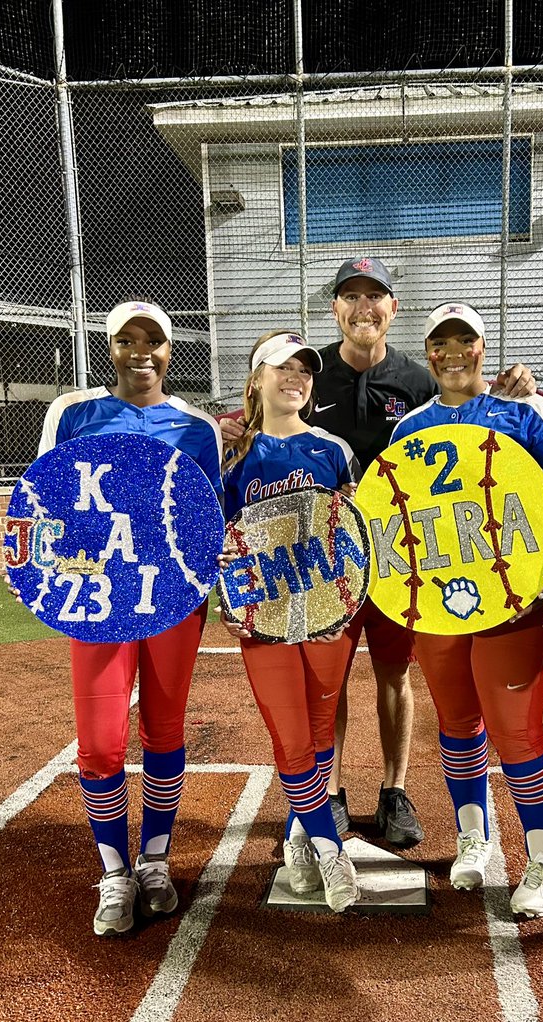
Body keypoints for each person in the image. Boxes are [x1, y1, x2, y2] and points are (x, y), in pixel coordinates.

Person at [219, 255, 537, 851]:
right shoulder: (310, 374)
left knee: (394, 674)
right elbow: (268, 425)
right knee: (327, 682)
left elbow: (467, 416)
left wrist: (509, 387)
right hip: (322, 563)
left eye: (376, 297)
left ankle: (394, 790)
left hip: (398, 560)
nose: (363, 308)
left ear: (393, 308)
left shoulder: (420, 382)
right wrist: (229, 428)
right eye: (350, 297)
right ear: (335, 308)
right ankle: (330, 791)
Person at [32, 299, 224, 936]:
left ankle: (156, 860)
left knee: (165, 730)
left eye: (154, 340)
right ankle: (114, 871)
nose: (141, 351)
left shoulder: (198, 427)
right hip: (98, 599)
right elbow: (42, 501)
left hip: (171, 601)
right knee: (102, 739)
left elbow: (207, 520)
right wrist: (52, 584)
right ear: (109, 347)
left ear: (171, 350)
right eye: (127, 340)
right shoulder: (73, 410)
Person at [388, 302, 543, 915]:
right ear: (428, 352)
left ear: (482, 347)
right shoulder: (409, 425)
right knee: (456, 720)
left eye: (463, 340)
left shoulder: (528, 411)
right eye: (438, 343)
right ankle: (476, 836)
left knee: (517, 730)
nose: (450, 353)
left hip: (512, 601)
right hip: (437, 601)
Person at [220, 330, 361, 913]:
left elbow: (356, 534)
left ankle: (302, 834)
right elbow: (216, 540)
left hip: (329, 617)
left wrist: (347, 605)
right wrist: (227, 598)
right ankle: (331, 849)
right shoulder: (231, 453)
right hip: (265, 615)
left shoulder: (333, 449)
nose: (296, 378)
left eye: (305, 370)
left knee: (321, 726)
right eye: (282, 368)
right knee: (290, 732)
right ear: (256, 379)